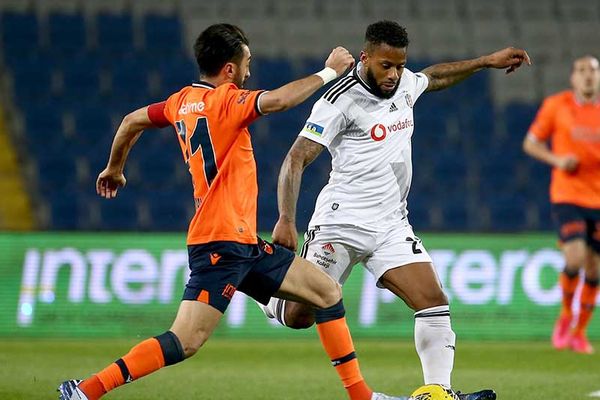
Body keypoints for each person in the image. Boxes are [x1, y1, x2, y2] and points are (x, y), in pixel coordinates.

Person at [57, 23, 403, 400]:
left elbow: (130, 121)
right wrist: (328, 72)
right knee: (185, 341)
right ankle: (86, 390)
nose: (249, 72)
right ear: (229, 69)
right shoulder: (225, 101)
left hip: (241, 242)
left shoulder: (180, 101)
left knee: (326, 291)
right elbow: (280, 101)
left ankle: (361, 396)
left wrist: (114, 168)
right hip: (220, 245)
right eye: (247, 63)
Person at [258, 20, 531, 399]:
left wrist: (485, 61)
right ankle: (264, 288)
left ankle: (438, 392)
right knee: (299, 316)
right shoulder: (339, 100)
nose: (394, 74)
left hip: (390, 225)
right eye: (386, 65)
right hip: (340, 224)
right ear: (365, 57)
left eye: (400, 65)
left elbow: (434, 77)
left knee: (433, 301)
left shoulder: (404, 84)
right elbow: (296, 157)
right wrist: (286, 219)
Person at [523, 55, 600, 355]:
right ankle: (566, 315)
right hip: (568, 195)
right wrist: (557, 160)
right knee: (576, 258)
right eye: (582, 70)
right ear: (572, 78)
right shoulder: (556, 106)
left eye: (593, 70)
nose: (588, 75)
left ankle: (579, 332)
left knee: (594, 270)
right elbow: (531, 143)